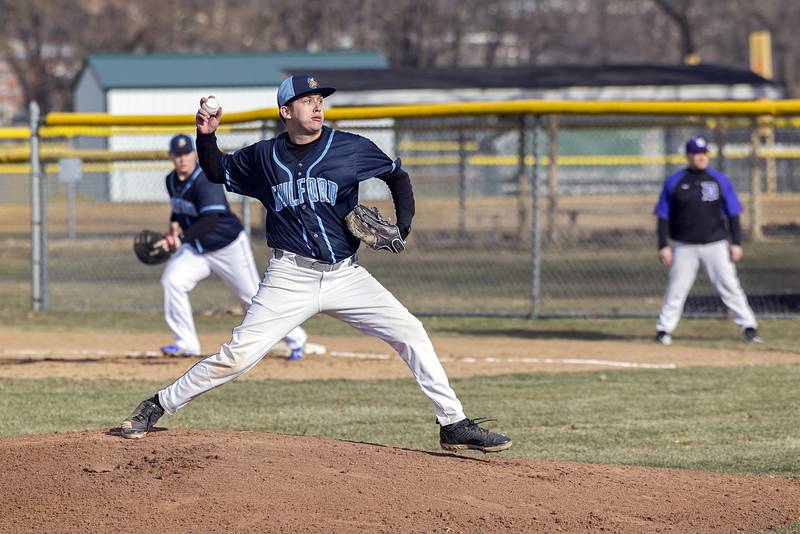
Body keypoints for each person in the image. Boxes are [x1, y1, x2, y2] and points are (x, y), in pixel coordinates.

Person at [120, 75, 512, 453]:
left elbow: (397, 175)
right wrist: (205, 134)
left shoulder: (350, 148)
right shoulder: (263, 157)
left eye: (320, 100)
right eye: (307, 101)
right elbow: (216, 169)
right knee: (237, 357)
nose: (317, 106)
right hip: (289, 276)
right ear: (285, 112)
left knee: (410, 331)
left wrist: (403, 226)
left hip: (346, 274)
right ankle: (157, 405)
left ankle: (453, 423)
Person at [156, 133, 310, 360]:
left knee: (251, 298)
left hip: (228, 247)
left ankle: (296, 339)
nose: (182, 159)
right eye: (177, 154)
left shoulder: (204, 180)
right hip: (198, 249)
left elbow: (211, 220)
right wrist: (172, 231)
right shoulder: (171, 180)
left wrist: (180, 239)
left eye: (186, 153)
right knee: (172, 281)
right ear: (171, 157)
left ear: (193, 154)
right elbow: (179, 211)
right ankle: (186, 343)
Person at [653, 135, 761, 345]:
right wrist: (663, 245)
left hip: (715, 243)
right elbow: (663, 215)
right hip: (685, 245)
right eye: (696, 153)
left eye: (704, 153)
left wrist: (736, 242)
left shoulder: (718, 179)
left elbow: (733, 213)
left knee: (730, 286)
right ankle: (663, 329)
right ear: (688, 156)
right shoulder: (675, 181)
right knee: (676, 288)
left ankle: (749, 326)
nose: (701, 157)